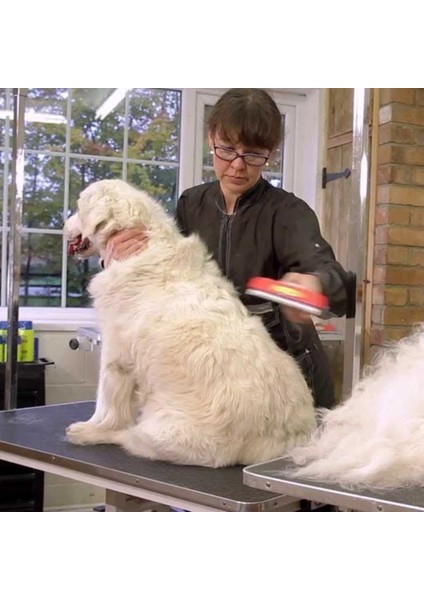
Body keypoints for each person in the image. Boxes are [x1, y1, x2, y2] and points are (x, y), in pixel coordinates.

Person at [103, 88, 352, 409]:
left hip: (282, 366)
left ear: (271, 152)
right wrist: (120, 262)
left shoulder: (288, 212)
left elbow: (335, 278)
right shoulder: (191, 204)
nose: (237, 165)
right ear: (211, 139)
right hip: (215, 362)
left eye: (252, 155)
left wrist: (314, 284)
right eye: (227, 149)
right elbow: (163, 275)